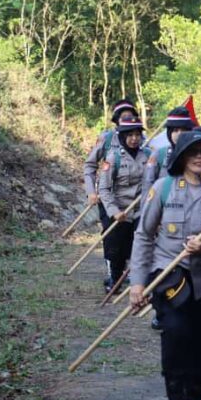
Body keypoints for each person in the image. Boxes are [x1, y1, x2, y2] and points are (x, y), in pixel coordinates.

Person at [129, 131, 201, 400]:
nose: (200, 157)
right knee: (175, 334)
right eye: (193, 152)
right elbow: (144, 236)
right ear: (182, 157)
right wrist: (137, 283)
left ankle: (194, 399)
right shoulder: (163, 189)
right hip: (170, 275)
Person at [83, 98, 140, 289]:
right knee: (112, 238)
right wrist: (92, 192)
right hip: (110, 199)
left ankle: (125, 272)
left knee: (131, 240)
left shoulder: (142, 143)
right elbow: (90, 165)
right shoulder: (107, 139)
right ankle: (112, 275)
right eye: (123, 116)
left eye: (131, 115)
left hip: (135, 203)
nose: (127, 118)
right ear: (116, 120)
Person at [98, 115, 149, 294]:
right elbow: (104, 188)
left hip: (141, 209)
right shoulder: (113, 158)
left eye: (137, 135)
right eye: (130, 135)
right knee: (116, 248)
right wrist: (114, 211)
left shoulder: (148, 156)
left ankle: (140, 282)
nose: (134, 139)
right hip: (120, 210)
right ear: (122, 136)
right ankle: (114, 278)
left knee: (140, 246)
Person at [142, 106, 196, 207]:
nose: (179, 134)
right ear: (169, 133)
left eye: (184, 130)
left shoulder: (198, 155)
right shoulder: (159, 155)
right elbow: (148, 185)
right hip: (164, 208)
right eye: (175, 130)